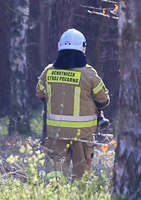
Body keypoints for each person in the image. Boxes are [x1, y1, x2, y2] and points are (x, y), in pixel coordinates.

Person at [35, 28, 110, 180]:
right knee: (81, 177)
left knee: (55, 174)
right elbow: (103, 100)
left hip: (56, 135)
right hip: (82, 136)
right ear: (83, 48)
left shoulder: (48, 72)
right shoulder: (89, 74)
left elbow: (40, 94)